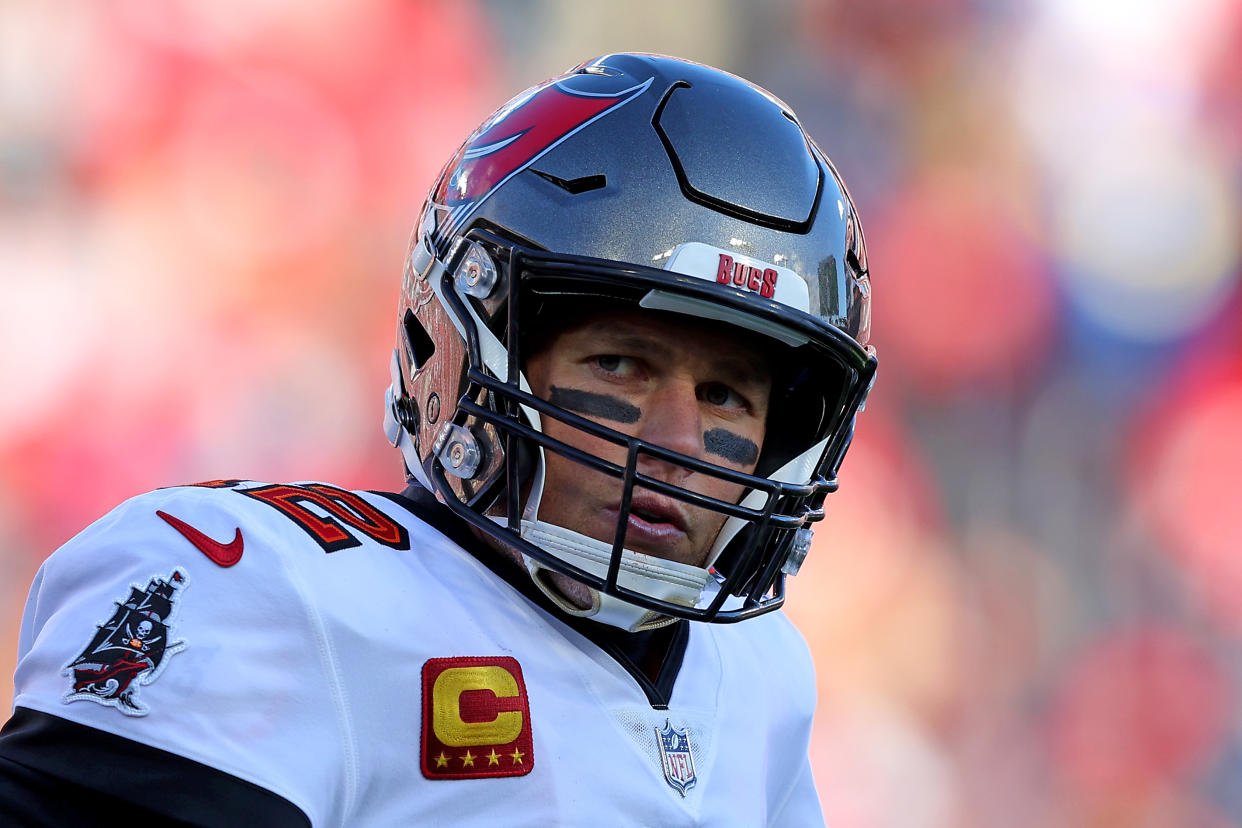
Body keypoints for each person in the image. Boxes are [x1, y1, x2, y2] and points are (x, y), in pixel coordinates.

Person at [0, 53, 875, 826]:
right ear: (462, 348)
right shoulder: (273, 591)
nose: (680, 438)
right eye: (620, 365)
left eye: (725, 396)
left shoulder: (758, 674)